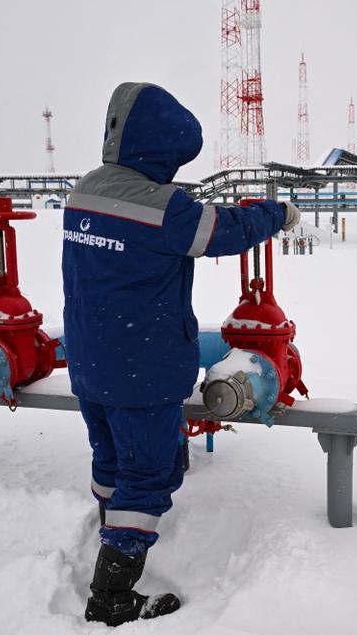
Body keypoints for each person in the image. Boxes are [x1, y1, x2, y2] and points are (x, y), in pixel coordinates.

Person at [62, 82, 300, 626]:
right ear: (162, 147)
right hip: (141, 372)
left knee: (111, 463)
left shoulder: (86, 191)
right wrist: (276, 212)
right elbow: (225, 230)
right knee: (145, 478)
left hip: (90, 363)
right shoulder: (163, 207)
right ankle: (112, 597)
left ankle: (112, 525)